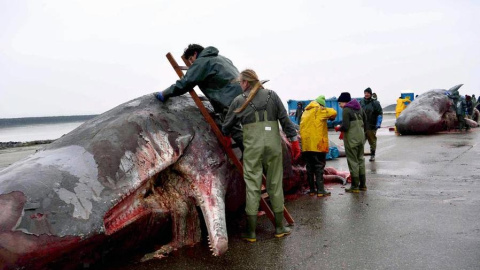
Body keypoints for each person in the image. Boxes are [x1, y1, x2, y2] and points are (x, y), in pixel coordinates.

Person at [222, 69, 301, 242]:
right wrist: (294, 141)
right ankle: (280, 228)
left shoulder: (238, 101)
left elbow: (227, 125)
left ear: (246, 82)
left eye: (241, 83)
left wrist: (227, 137)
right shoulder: (272, 96)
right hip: (273, 146)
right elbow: (285, 121)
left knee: (253, 186)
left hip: (252, 148)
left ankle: (251, 233)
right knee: (275, 184)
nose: (240, 86)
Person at [153, 44, 244, 151]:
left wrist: (165, 93)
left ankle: (256, 159)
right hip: (244, 94)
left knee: (234, 129)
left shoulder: (202, 62)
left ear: (195, 53)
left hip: (229, 98)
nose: (191, 63)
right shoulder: (221, 58)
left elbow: (185, 83)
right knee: (249, 127)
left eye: (191, 59)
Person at [299, 96, 337, 197]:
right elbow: (333, 112)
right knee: (319, 167)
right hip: (317, 145)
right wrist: (331, 117)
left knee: (310, 168)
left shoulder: (305, 112)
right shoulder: (319, 110)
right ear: (321, 104)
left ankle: (312, 190)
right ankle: (320, 190)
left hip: (306, 146)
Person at [335, 92, 367, 193]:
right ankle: (363, 185)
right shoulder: (359, 108)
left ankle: (354, 186)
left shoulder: (346, 110)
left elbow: (346, 126)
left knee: (353, 161)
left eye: (340, 103)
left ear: (345, 102)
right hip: (360, 138)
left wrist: (339, 128)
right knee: (361, 160)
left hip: (351, 139)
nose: (340, 105)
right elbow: (365, 121)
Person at [360, 87, 383, 161]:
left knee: (372, 141)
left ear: (370, 94)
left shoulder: (375, 103)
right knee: (360, 141)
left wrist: (378, 122)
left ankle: (372, 154)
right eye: (365, 93)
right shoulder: (361, 102)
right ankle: (360, 155)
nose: (366, 94)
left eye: (368, 93)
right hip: (362, 126)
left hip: (371, 126)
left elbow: (380, 113)